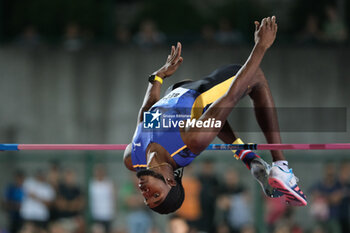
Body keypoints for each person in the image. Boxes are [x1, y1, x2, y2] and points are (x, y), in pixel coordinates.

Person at [123, 16, 307, 215]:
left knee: (209, 118)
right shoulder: (190, 141)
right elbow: (231, 97)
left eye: (146, 199)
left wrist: (157, 78)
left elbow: (146, 115)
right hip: (201, 95)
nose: (146, 193)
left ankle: (244, 153)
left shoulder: (132, 159)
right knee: (255, 78)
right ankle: (280, 165)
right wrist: (261, 46)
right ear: (170, 181)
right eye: (155, 196)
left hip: (177, 92)